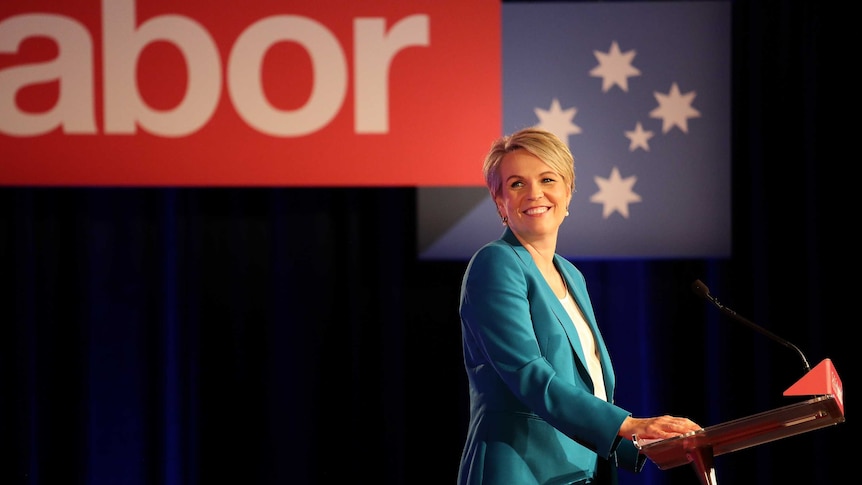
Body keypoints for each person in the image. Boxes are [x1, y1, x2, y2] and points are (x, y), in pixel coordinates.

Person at [457, 128, 702, 485]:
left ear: (568, 191)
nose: (534, 193)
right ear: (499, 203)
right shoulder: (496, 263)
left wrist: (644, 441)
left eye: (547, 179)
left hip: (579, 472)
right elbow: (529, 373)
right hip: (518, 470)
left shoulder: (570, 274)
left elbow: (589, 387)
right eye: (516, 184)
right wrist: (627, 424)